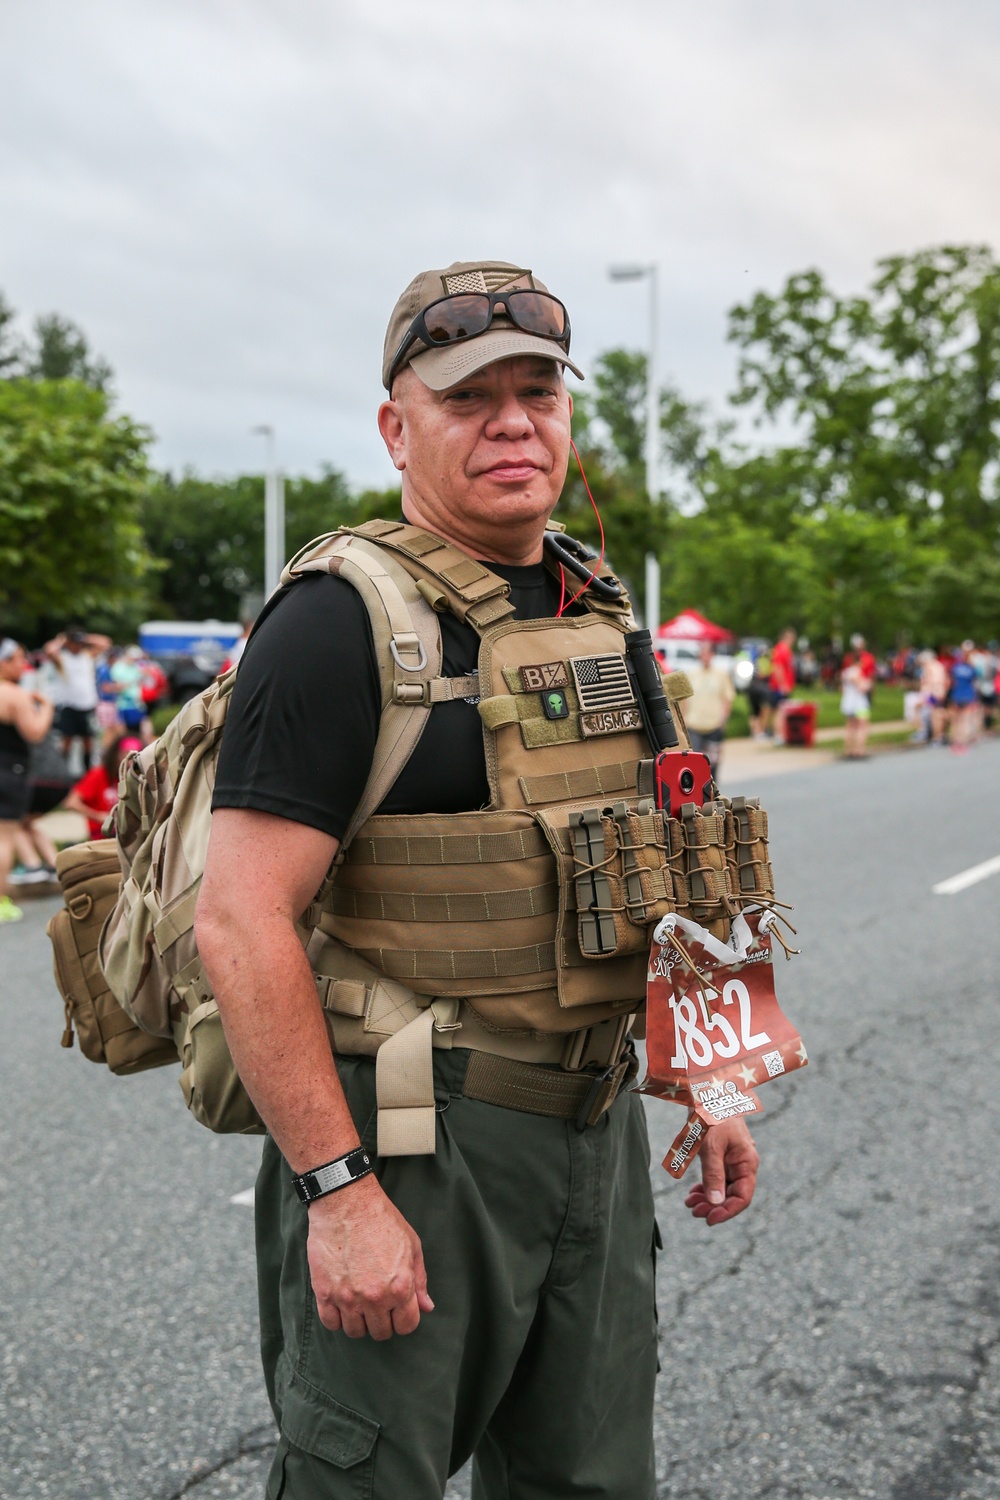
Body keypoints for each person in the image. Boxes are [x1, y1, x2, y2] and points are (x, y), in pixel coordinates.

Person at [195, 260, 760, 1500]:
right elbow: (239, 919)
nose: (514, 421)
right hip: (413, 1137)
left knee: (591, 1481)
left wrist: (710, 1075)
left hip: (592, 1131)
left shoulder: (598, 607)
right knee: (366, 1482)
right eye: (470, 398)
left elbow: (671, 848)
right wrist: (338, 1195)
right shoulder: (336, 621)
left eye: (537, 391)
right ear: (398, 427)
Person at [0, 638, 55, 922]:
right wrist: (46, 708)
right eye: (19, 659)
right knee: (5, 838)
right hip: (10, 771)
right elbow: (34, 732)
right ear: (4, 662)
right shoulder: (14, 695)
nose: (23, 665)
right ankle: (0, 901)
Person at [43, 628, 111, 770]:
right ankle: (62, 771)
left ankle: (87, 771)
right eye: (74, 643)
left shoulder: (87, 656)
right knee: (67, 740)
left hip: (87, 705)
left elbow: (106, 643)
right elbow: (49, 650)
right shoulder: (62, 658)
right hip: (70, 706)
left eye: (79, 643)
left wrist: (86, 637)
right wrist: (62, 639)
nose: (77, 646)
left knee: (88, 741)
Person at [63, 734, 142, 839]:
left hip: (131, 836)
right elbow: (70, 802)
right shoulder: (99, 774)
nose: (129, 762)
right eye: (125, 754)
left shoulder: (137, 778)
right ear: (116, 754)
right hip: (103, 836)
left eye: (134, 757)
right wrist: (98, 816)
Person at [684, 638, 735, 775]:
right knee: (694, 763)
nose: (705, 656)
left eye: (707, 653)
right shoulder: (692, 674)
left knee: (713, 764)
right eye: (702, 652)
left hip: (713, 724)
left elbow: (727, 697)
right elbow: (685, 700)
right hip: (695, 724)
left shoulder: (720, 674)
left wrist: (723, 719)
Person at [840, 633, 876, 760]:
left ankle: (849, 750)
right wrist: (868, 685)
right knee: (862, 725)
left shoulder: (846, 670)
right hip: (858, 701)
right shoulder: (858, 668)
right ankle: (859, 750)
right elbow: (864, 685)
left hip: (848, 701)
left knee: (850, 725)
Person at [948, 643, 979, 754]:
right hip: (968, 696)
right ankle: (963, 744)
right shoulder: (971, 669)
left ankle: (956, 743)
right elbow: (974, 684)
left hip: (956, 696)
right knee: (965, 721)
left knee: (956, 722)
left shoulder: (955, 668)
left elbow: (951, 682)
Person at [768, 628, 797, 739]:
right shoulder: (781, 650)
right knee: (780, 711)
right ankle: (778, 734)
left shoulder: (785, 650)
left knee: (779, 710)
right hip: (779, 686)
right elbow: (777, 668)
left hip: (782, 685)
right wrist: (783, 684)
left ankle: (779, 733)